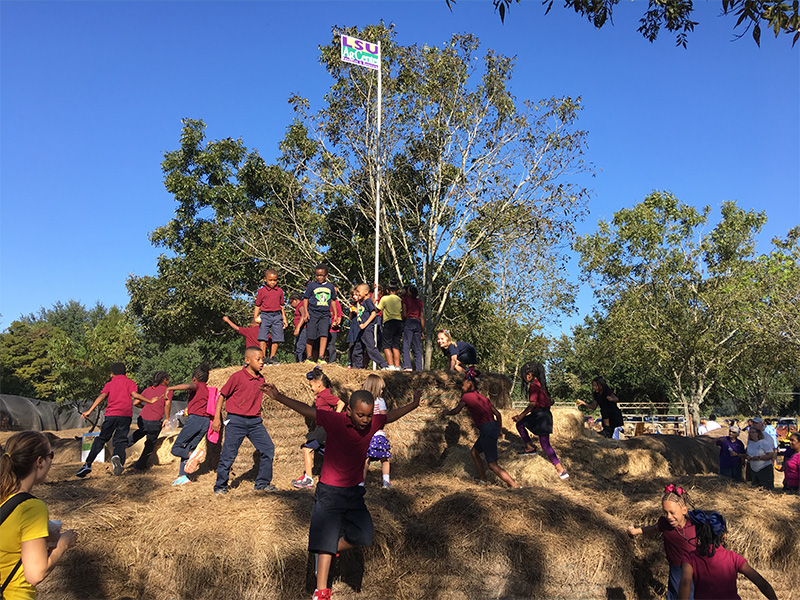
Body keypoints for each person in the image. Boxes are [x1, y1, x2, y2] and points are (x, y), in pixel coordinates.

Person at [261, 382, 421, 600]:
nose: (365, 421)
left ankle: (328, 547)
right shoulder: (335, 421)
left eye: (367, 416)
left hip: (354, 492)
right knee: (326, 538)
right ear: (349, 410)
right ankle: (321, 591)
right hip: (329, 491)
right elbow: (306, 410)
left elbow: (391, 415)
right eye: (360, 415)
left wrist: (414, 404)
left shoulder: (373, 423)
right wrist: (278, 396)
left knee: (364, 534)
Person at [1, 431, 78, 600]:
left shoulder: (3, 497)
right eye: (51, 455)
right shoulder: (32, 508)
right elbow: (35, 574)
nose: (52, 460)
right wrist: (63, 544)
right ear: (40, 461)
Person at [212, 347, 276, 494]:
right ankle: (220, 486)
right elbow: (222, 395)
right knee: (228, 455)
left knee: (268, 449)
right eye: (258, 359)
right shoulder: (237, 377)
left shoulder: (261, 379)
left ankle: (262, 484)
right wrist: (217, 418)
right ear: (247, 360)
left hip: (255, 422)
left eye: (263, 359)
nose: (262, 363)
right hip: (236, 421)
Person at [442, 368, 520, 488]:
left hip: (487, 429)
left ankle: (515, 486)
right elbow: (498, 414)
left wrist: (447, 412)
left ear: (470, 384)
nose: (462, 385)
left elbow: (456, 410)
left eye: (464, 383)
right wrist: (499, 429)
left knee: (492, 464)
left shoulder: (467, 397)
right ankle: (483, 479)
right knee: (474, 452)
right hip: (492, 427)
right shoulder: (483, 398)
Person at [76, 362, 155, 478]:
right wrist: (149, 401)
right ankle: (117, 457)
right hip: (125, 416)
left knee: (102, 438)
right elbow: (135, 395)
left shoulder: (110, 384)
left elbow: (102, 396)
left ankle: (88, 464)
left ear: (111, 374)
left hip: (111, 415)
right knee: (121, 441)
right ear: (126, 373)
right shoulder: (130, 382)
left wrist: (89, 410)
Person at [678, 510, 777, 600]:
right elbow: (760, 582)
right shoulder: (733, 558)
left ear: (697, 533)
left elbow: (685, 583)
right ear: (724, 536)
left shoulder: (690, 559)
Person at [627, 484, 697, 600]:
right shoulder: (665, 523)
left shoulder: (694, 526)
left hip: (695, 570)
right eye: (665, 512)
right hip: (676, 570)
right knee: (675, 595)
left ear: (684, 509)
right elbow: (654, 528)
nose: (669, 516)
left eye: (672, 512)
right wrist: (636, 531)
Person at [512, 362, 569, 480]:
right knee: (522, 425)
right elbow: (551, 401)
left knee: (544, 443)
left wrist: (521, 415)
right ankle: (530, 447)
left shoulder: (534, 386)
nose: (524, 377)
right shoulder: (541, 385)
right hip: (545, 414)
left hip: (540, 415)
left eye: (524, 375)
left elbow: (532, 404)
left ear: (530, 374)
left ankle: (561, 469)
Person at [292, 367, 345, 489]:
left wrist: (334, 418)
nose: (310, 388)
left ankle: (308, 479)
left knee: (307, 449)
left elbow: (340, 403)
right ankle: (341, 474)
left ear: (320, 384)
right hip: (322, 428)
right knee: (328, 453)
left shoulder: (325, 395)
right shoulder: (321, 395)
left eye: (311, 385)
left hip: (324, 429)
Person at [167, 364, 212, 486]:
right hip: (205, 422)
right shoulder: (207, 389)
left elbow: (187, 386)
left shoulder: (197, 386)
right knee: (187, 448)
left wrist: (170, 388)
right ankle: (183, 476)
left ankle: (193, 455)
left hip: (195, 420)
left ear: (194, 379)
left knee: (176, 448)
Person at [128, 371, 173, 473]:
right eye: (168, 379)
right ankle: (139, 466)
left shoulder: (148, 389)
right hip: (154, 421)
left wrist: (145, 406)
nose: (169, 381)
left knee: (141, 431)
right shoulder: (168, 390)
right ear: (165, 380)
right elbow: (167, 403)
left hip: (142, 419)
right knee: (149, 445)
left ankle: (123, 445)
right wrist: (167, 418)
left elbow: (135, 403)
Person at [362, 374, 393, 488]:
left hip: (366, 435)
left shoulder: (363, 401)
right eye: (381, 389)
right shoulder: (380, 401)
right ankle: (386, 481)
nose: (381, 391)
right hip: (379, 434)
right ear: (375, 388)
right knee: (384, 458)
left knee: (365, 459)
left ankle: (361, 482)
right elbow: (384, 416)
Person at [303, 264, 337, 364]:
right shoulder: (312, 285)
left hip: (325, 314)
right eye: (317, 275)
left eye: (322, 275)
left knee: (324, 334)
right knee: (311, 335)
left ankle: (321, 357)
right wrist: (306, 312)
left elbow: (333, 300)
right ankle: (309, 357)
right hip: (313, 313)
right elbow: (306, 298)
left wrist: (335, 314)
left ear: (326, 275)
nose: (319, 277)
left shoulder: (330, 286)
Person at [351, 283, 388, 369]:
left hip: (366, 329)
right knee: (357, 348)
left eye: (359, 292)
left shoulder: (368, 301)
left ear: (366, 292)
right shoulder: (362, 303)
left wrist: (365, 324)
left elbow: (373, 313)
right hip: (361, 330)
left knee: (370, 348)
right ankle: (358, 367)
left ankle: (383, 365)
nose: (357, 294)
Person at [254, 269, 288, 365]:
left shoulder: (280, 291)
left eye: (275, 280)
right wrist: (256, 316)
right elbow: (257, 305)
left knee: (277, 337)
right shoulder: (261, 291)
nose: (273, 282)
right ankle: (263, 357)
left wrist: (284, 319)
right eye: (270, 280)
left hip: (277, 315)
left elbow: (281, 306)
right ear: (265, 279)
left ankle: (272, 356)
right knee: (263, 337)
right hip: (265, 315)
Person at [377, 281, 403, 370]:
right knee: (396, 345)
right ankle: (397, 366)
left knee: (386, 345)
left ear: (387, 290)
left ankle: (390, 366)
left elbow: (378, 309)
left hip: (389, 322)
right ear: (397, 290)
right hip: (399, 322)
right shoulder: (400, 300)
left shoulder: (385, 299)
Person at [401, 285, 425, 371]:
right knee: (417, 347)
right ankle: (419, 368)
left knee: (406, 344)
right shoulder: (420, 302)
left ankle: (407, 366)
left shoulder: (405, 300)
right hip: (418, 323)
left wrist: (403, 319)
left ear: (409, 292)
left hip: (409, 321)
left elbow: (404, 314)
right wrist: (422, 331)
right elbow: (422, 316)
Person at [290, 292, 309, 363]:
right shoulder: (300, 305)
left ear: (295, 300)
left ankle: (300, 362)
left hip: (303, 329)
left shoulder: (301, 305)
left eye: (291, 302)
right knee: (297, 346)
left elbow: (303, 315)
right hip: (301, 329)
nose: (290, 305)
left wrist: (297, 328)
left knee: (300, 346)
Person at [327, 291, 343, 364]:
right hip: (322, 327)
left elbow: (339, 314)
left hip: (332, 329)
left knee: (331, 345)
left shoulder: (336, 302)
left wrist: (337, 322)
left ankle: (332, 361)